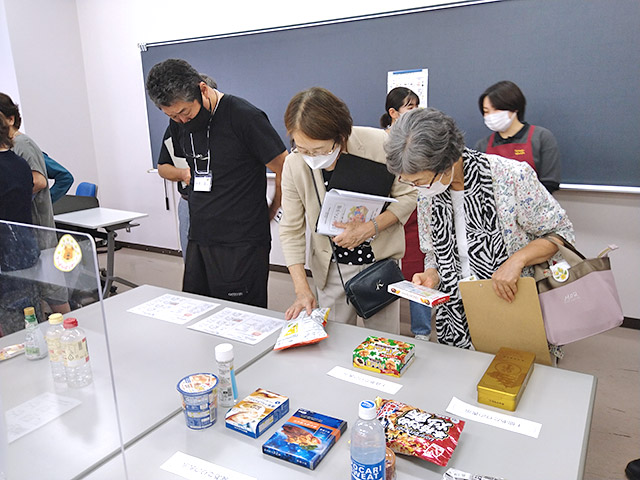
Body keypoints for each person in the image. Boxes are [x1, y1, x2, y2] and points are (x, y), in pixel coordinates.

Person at [385, 107, 574, 348]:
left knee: (512, 377)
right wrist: (431, 273)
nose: (416, 188)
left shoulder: (510, 176)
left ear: (448, 162)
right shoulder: (428, 192)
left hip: (511, 306)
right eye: (409, 182)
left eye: (420, 181)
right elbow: (432, 251)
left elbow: (561, 234)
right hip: (454, 319)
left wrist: (516, 261)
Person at [146, 59, 287, 308]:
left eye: (185, 113)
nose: (181, 121)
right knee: (199, 308)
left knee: (240, 315)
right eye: (172, 116)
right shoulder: (177, 123)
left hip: (241, 240)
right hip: (200, 236)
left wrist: (275, 206)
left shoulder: (243, 116)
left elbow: (284, 165)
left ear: (202, 90)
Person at [279, 87, 416, 333]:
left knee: (384, 342)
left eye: (319, 150)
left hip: (379, 265)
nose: (311, 157)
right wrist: (302, 289)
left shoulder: (380, 144)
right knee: (334, 342)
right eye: (303, 149)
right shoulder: (294, 164)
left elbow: (408, 195)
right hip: (331, 269)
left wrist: (369, 228)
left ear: (340, 135)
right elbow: (291, 230)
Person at [0, 93, 70, 315]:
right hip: (23, 231)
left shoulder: (22, 143)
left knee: (53, 289)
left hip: (35, 230)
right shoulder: (12, 148)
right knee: (35, 291)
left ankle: (74, 327)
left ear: (10, 119)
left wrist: (13, 195)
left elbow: (39, 181)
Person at [381, 87, 431, 341]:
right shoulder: (379, 142)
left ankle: (421, 330)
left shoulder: (419, 141)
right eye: (410, 107)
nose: (416, 112)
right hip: (386, 215)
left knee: (416, 269)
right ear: (393, 112)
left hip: (414, 213)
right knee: (381, 271)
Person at [157, 74, 217, 261]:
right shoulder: (176, 126)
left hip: (221, 204)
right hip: (189, 202)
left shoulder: (230, 124)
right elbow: (162, 168)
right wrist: (183, 173)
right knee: (192, 262)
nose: (183, 118)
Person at [474, 80, 561, 193]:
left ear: (514, 107)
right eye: (486, 111)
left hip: (535, 207)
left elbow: (550, 183)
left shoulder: (541, 138)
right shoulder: (482, 146)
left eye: (496, 109)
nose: (491, 115)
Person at [0, 112, 41, 336]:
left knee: (14, 322)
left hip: (6, 253)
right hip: (24, 246)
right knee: (30, 312)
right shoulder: (19, 164)